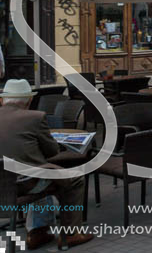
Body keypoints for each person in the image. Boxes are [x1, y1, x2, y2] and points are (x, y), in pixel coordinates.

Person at [0, 80, 94, 250]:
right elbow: (52, 152)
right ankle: (71, 233)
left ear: (2, 100)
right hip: (23, 183)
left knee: (43, 172)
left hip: (4, 182)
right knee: (74, 179)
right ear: (29, 101)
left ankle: (38, 232)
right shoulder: (35, 117)